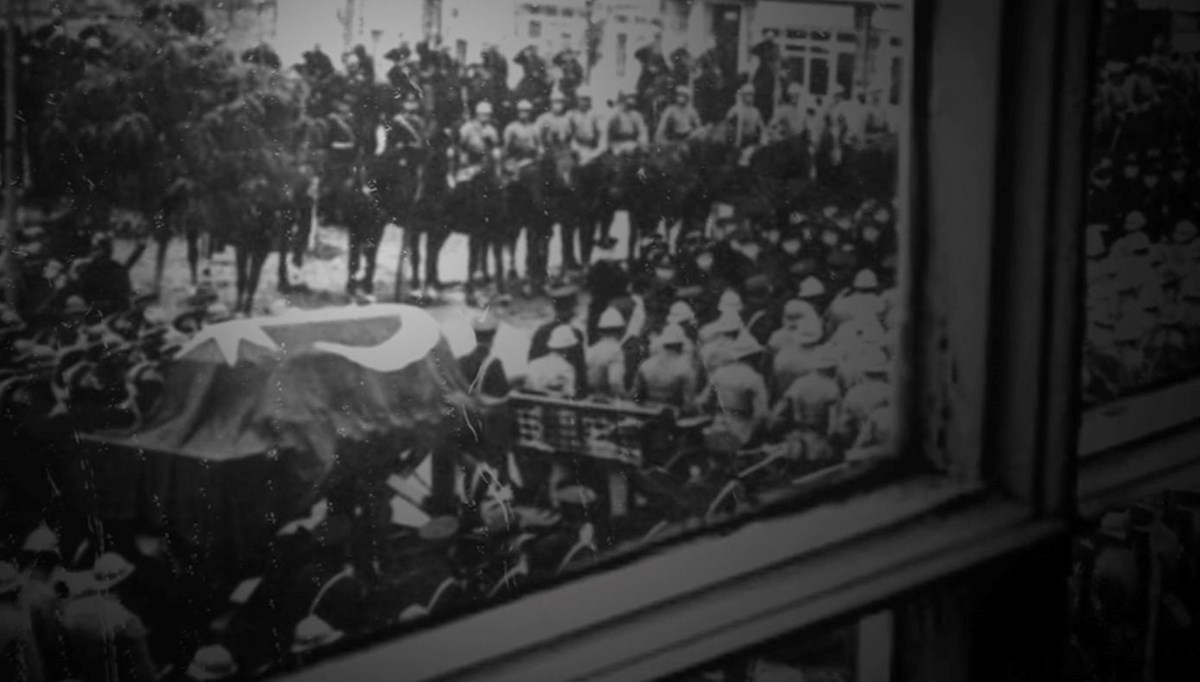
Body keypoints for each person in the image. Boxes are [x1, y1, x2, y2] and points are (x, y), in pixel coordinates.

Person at [698, 333, 770, 453]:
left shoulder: (719, 373)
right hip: (742, 432)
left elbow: (703, 400)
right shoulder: (754, 378)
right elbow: (761, 414)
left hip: (718, 425)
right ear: (755, 356)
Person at [528, 285, 588, 396]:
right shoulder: (574, 333)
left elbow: (531, 364)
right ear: (571, 307)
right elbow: (580, 372)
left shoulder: (541, 331)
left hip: (540, 392)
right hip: (566, 394)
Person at [632, 324, 698, 410]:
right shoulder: (685, 368)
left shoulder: (645, 365)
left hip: (647, 410)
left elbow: (637, 394)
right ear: (680, 345)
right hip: (672, 412)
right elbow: (688, 402)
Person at [524, 325, 581, 398]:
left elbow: (528, 387)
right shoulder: (567, 368)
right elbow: (569, 394)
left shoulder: (534, 363)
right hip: (554, 403)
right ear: (568, 348)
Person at [455, 101, 501, 185]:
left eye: (487, 115)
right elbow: (460, 145)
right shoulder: (467, 128)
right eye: (483, 115)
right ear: (477, 114)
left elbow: (495, 146)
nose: (485, 117)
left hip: (485, 161)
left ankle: (496, 176)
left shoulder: (491, 130)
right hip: (470, 160)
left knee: (496, 153)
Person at [725, 83, 766, 162]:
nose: (750, 97)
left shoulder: (755, 111)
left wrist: (762, 141)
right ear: (743, 96)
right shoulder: (735, 109)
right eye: (747, 94)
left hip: (751, 143)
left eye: (751, 95)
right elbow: (727, 123)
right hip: (736, 142)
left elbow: (762, 128)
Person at [503, 99, 544, 177]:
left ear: (530, 112)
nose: (523, 114)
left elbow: (540, 146)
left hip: (530, 159)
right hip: (515, 158)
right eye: (521, 111)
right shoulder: (511, 127)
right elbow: (506, 147)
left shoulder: (534, 128)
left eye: (526, 111)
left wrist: (538, 154)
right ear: (517, 112)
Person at [568, 88, 607, 165]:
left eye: (586, 100)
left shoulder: (595, 115)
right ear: (577, 100)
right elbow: (569, 133)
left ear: (590, 101)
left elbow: (602, 134)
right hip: (577, 146)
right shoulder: (572, 115)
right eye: (581, 99)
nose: (584, 102)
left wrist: (596, 151)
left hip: (592, 147)